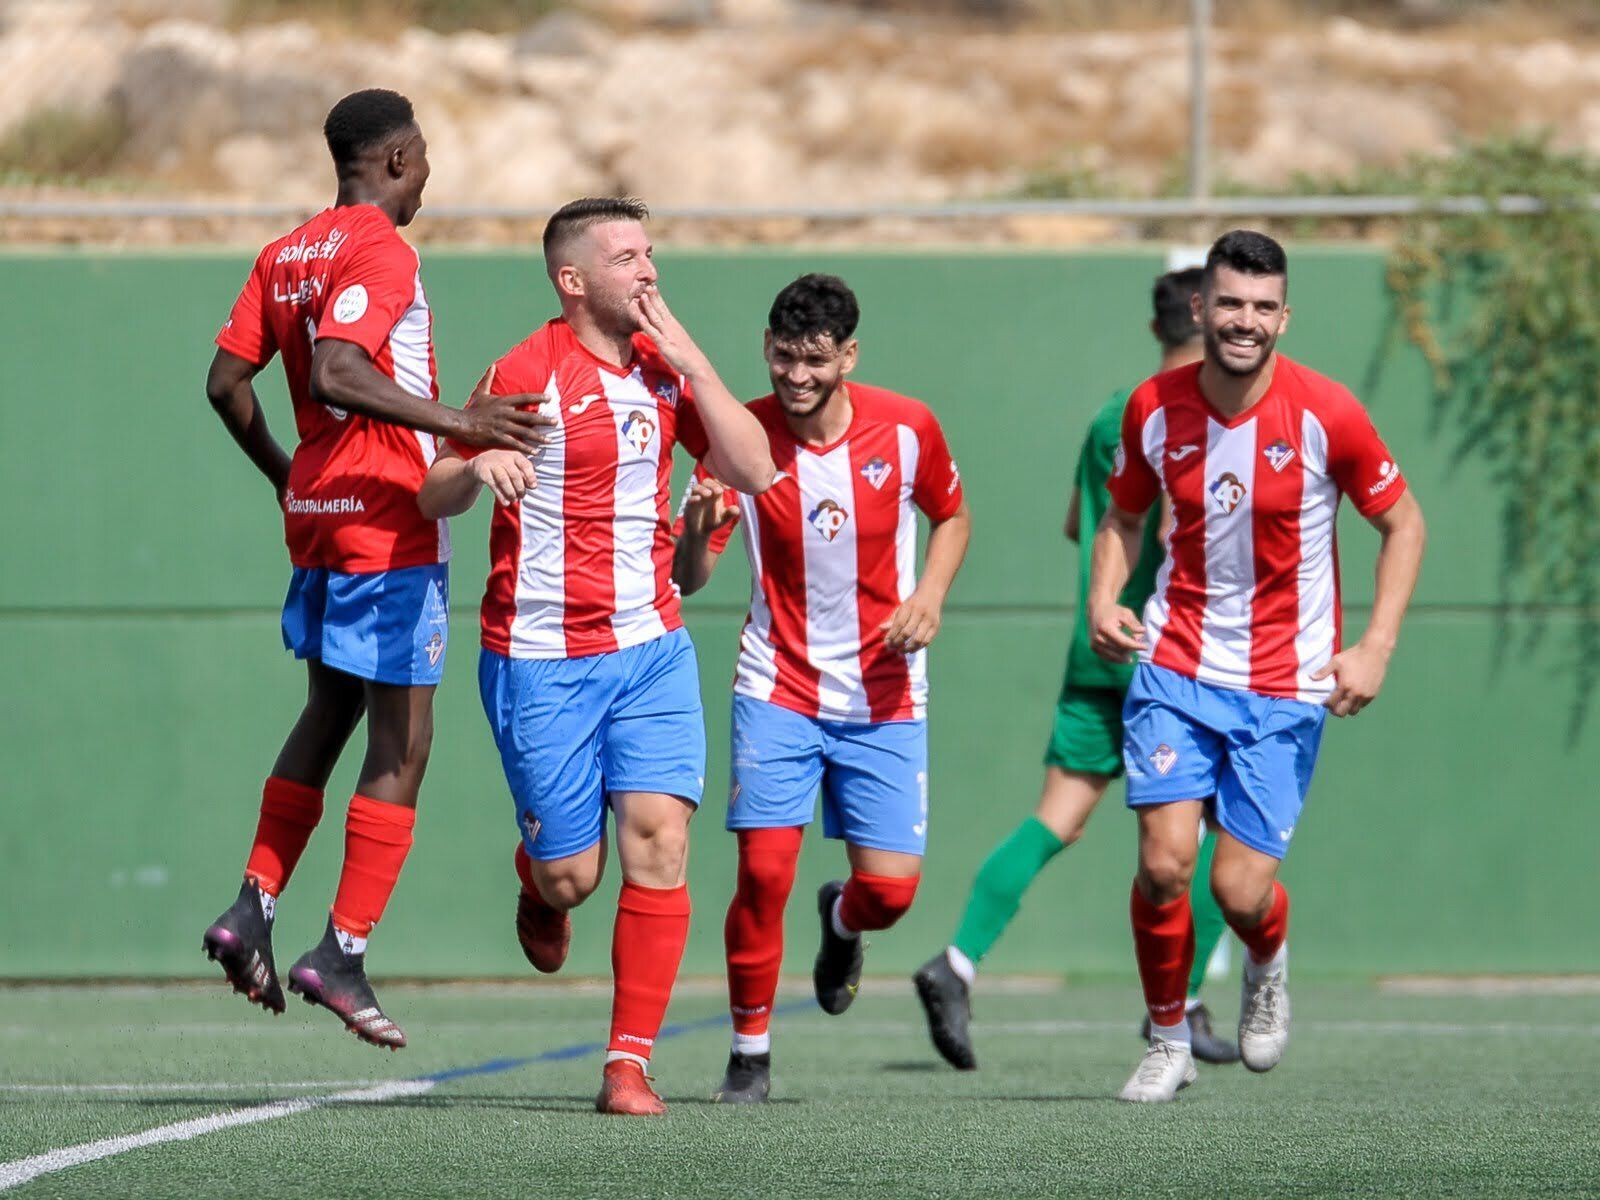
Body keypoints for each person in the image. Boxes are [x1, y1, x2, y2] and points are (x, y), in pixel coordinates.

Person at [201, 88, 550, 1048]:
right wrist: (464, 425)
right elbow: (338, 370)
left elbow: (227, 382)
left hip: (318, 517)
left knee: (330, 711)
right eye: (425, 156)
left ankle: (252, 907)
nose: (429, 174)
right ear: (395, 160)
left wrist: (287, 476)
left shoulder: (284, 253)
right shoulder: (381, 249)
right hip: (385, 527)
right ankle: (341, 953)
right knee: (404, 745)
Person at [416, 197, 776, 1115]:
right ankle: (539, 882)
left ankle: (628, 1064)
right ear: (573, 280)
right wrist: (477, 467)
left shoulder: (664, 368)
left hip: (651, 648)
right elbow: (432, 491)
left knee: (661, 841)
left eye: (650, 252)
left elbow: (754, 467)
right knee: (574, 875)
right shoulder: (527, 370)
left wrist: (695, 360)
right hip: (540, 657)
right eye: (626, 258)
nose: (648, 270)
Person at [1090, 230, 1426, 1102]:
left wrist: (1375, 646)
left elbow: (1404, 525)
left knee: (1240, 892)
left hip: (1286, 681)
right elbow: (1123, 517)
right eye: (1229, 303)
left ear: (1285, 315)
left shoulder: (1327, 413)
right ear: (1200, 308)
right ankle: (1167, 1039)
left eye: (1262, 307)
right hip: (1175, 662)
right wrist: (1103, 598)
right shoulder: (1153, 408)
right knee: (1165, 864)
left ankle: (1265, 963)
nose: (1245, 321)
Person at [913, 268, 1240, 1070]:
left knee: (1056, 817)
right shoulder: (1189, 415)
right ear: (1209, 315)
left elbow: (1079, 523)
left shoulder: (1110, 415)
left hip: (1094, 649)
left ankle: (955, 962)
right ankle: (1184, 999)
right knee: (1231, 840)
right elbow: (1180, 531)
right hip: (1175, 654)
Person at [672, 274, 971, 1104]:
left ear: (847, 356)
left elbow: (952, 514)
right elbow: (690, 577)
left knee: (892, 892)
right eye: (780, 357)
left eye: (813, 360)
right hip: (778, 686)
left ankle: (842, 922)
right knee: (763, 875)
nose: (794, 376)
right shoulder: (739, 438)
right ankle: (750, 1054)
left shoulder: (908, 428)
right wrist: (698, 528)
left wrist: (930, 596)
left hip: (885, 693)